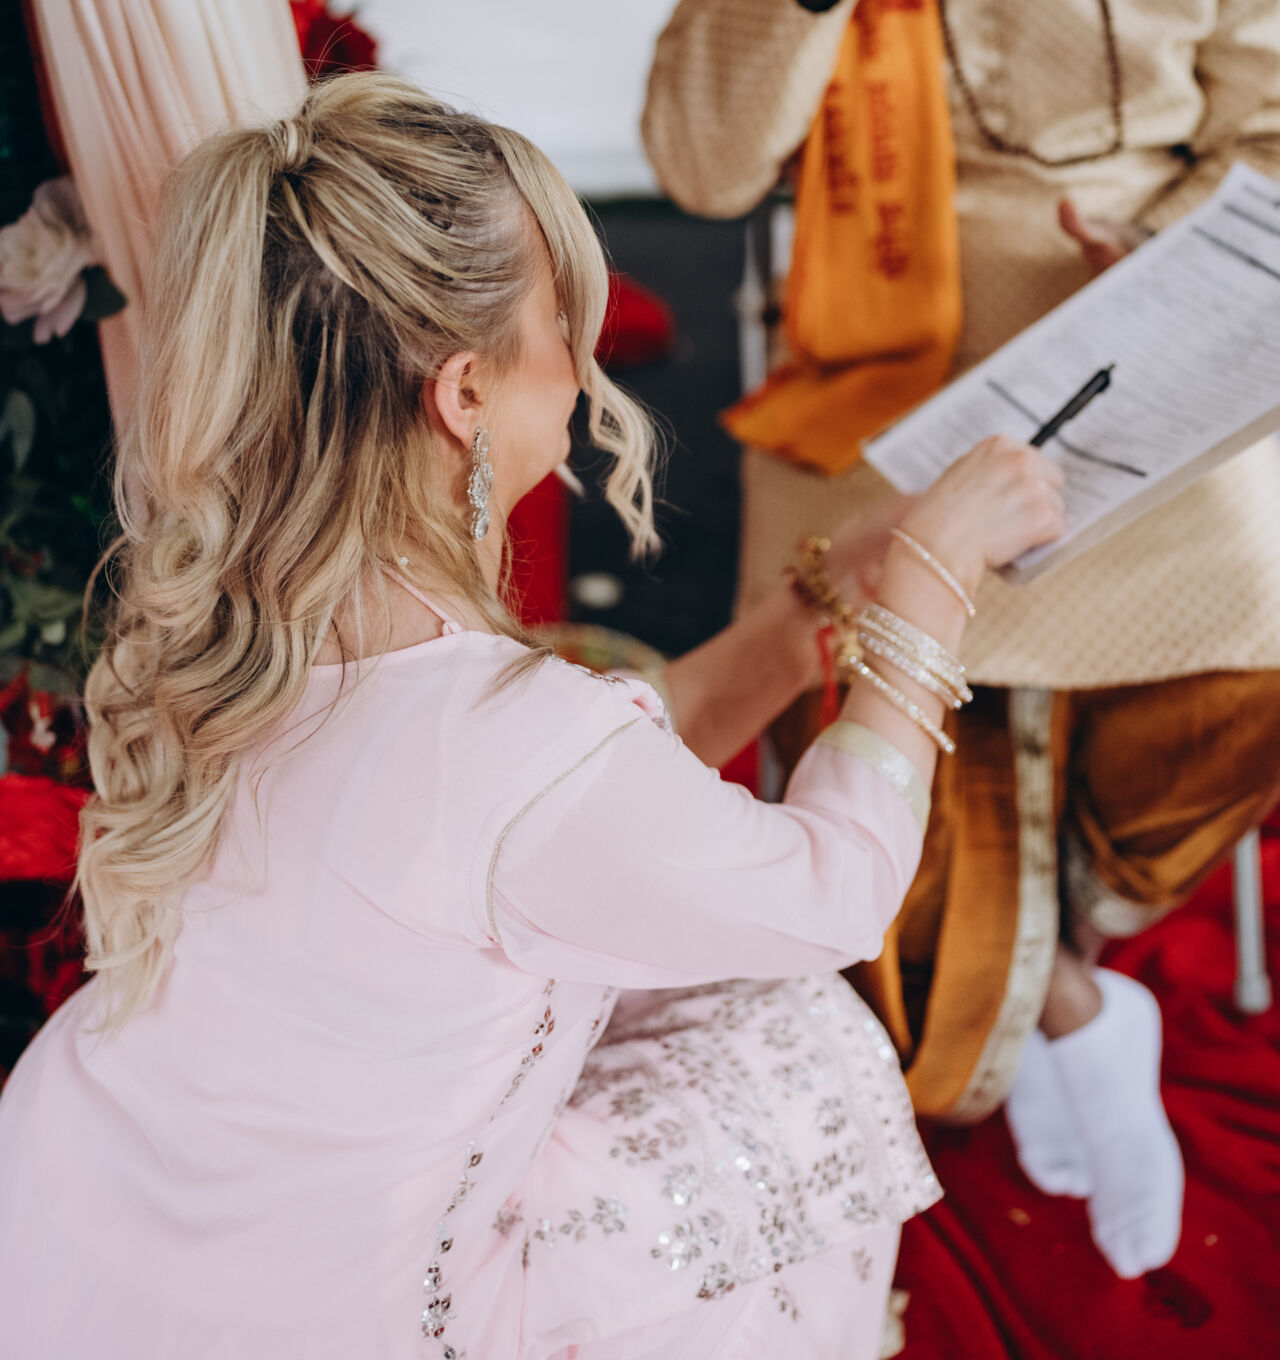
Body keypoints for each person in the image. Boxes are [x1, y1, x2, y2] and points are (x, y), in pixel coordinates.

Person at [0, 72, 1063, 1358]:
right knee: (802, 1043)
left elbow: (576, 781)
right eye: (562, 322)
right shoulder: (518, 745)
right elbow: (833, 894)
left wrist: (822, 601)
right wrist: (933, 588)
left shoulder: (240, 623)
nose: (584, 366)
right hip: (326, 1317)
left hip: (82, 1209)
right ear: (461, 394)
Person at [641, 0, 1280, 1279]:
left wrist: (1168, 239)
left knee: (1268, 633)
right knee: (906, 978)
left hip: (1142, 400)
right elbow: (700, 166)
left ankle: (1069, 922)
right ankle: (1073, 997)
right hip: (878, 418)